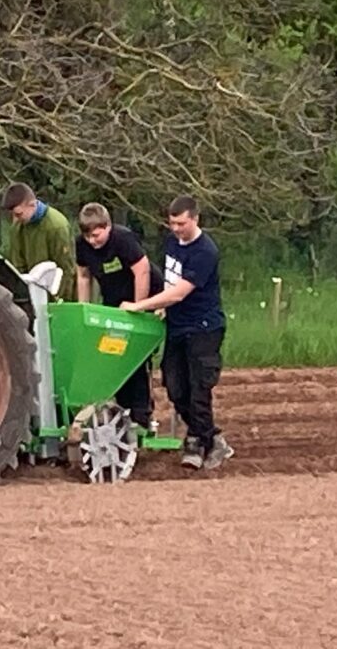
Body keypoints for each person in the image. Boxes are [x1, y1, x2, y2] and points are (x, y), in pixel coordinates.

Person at [120, 196, 232, 470]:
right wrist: (163, 310)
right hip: (177, 326)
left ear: (195, 219)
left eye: (181, 223)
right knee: (175, 387)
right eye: (172, 223)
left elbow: (180, 292)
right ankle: (213, 438)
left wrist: (140, 306)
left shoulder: (205, 251)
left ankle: (199, 443)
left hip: (203, 328)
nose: (176, 229)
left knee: (198, 390)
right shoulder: (171, 244)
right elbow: (170, 282)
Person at [75, 203, 164, 428]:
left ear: (108, 227)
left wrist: (139, 307)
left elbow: (142, 270)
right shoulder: (82, 246)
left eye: (96, 235)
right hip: (114, 300)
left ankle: (142, 415)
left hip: (143, 294)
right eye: (88, 237)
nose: (92, 241)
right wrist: (84, 309)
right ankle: (122, 409)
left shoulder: (123, 240)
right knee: (113, 351)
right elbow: (84, 276)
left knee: (136, 355)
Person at [2, 182, 75, 300]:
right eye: (13, 215)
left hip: (56, 295)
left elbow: (65, 270)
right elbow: (18, 266)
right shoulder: (17, 227)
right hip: (32, 294)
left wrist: (60, 301)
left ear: (32, 205)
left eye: (18, 214)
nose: (15, 219)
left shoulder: (57, 226)